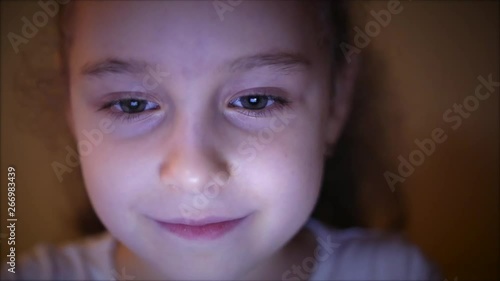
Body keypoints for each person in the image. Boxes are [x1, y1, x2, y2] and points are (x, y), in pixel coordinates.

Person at [2, 1, 441, 280]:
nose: (194, 176)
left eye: (256, 99)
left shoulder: (397, 273)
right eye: (132, 104)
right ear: (70, 105)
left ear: (335, 103)